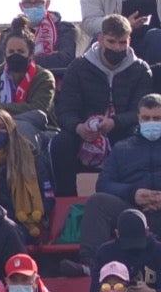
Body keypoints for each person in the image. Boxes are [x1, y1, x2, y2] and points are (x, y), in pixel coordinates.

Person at [79, 93, 161, 276]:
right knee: (97, 202)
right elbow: (104, 183)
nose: (151, 122)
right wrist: (132, 193)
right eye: (146, 118)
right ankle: (90, 266)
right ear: (138, 118)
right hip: (131, 210)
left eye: (157, 118)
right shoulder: (122, 147)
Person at [52, 13, 154, 195]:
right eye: (112, 42)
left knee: (136, 141)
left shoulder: (140, 69)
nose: (117, 48)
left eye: (122, 43)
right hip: (85, 130)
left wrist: (114, 122)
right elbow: (65, 109)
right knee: (62, 143)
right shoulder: (78, 68)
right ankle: (66, 202)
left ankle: (128, 196)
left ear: (129, 40)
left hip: (122, 130)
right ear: (100, 39)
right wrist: (79, 127)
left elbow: (141, 110)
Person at [0, 108, 53, 247]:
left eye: (2, 127)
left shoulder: (32, 159)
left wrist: (37, 214)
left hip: (24, 224)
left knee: (5, 234)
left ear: (11, 130)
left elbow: (48, 196)